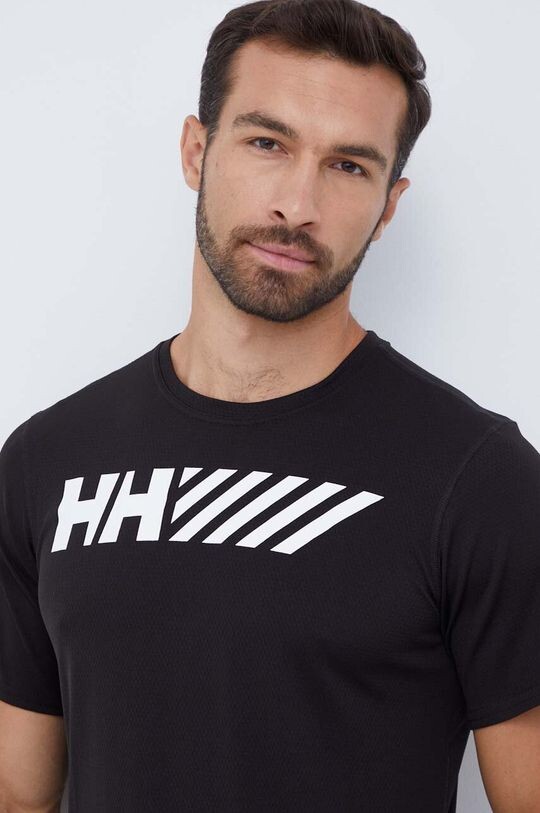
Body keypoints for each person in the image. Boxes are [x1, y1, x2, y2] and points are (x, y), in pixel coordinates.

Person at [1, 1, 539, 811]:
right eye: (267, 143)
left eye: (348, 166)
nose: (297, 204)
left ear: (389, 205)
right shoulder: (48, 460)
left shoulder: (481, 481)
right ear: (196, 151)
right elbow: (19, 792)